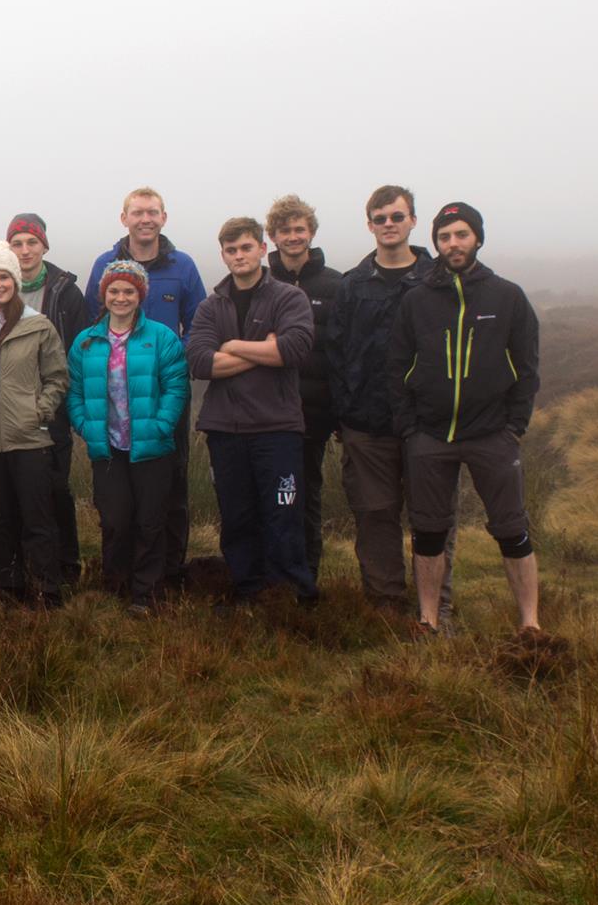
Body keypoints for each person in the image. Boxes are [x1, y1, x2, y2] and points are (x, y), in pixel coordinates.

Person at [392, 203, 543, 635]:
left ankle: (530, 624)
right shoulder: (416, 300)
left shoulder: (508, 296)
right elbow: (397, 366)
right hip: (429, 435)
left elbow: (527, 367)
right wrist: (409, 427)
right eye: (444, 237)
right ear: (436, 243)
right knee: (428, 532)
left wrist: (515, 426)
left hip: (493, 433)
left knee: (512, 530)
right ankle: (428, 620)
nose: (453, 244)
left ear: (477, 238)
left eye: (461, 235)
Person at [326, 186, 458, 615]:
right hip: (366, 425)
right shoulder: (351, 286)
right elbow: (335, 352)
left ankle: (435, 608)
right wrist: (342, 415)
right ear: (369, 225)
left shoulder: (441, 281)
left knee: (433, 520)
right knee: (374, 515)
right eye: (380, 218)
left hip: (429, 425)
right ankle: (385, 605)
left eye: (396, 217)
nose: (388, 225)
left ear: (413, 222)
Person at [187, 218, 319, 608]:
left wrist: (230, 346)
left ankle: (291, 596)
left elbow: (294, 350)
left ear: (263, 249)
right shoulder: (212, 305)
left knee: (283, 513)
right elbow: (199, 362)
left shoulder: (288, 298)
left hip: (277, 428)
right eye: (231, 250)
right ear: (223, 255)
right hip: (225, 429)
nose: (239, 256)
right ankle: (248, 591)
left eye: (246, 247)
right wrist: (262, 351)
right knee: (237, 517)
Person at [83, 188, 208, 588]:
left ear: (163, 217)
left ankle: (169, 570)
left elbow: (199, 324)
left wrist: (170, 362)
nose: (145, 219)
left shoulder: (183, 266)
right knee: (117, 499)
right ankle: (119, 576)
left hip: (164, 395)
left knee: (170, 487)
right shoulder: (105, 264)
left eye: (152, 212)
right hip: (115, 395)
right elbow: (92, 324)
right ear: (124, 218)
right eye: (137, 212)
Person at [67, 261, 190, 614]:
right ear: (103, 295)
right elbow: (73, 391)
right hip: (108, 449)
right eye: (114, 291)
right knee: (115, 521)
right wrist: (85, 426)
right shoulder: (86, 342)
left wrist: (160, 426)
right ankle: (115, 587)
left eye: (129, 291)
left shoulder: (161, 337)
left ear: (141, 296)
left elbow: (176, 387)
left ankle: (146, 593)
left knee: (150, 520)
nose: (121, 298)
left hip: (151, 447)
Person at [0, 242, 69, 604]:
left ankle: (47, 588)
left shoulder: (38, 326)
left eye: (3, 276)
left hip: (29, 439)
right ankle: (5, 589)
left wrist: (40, 411)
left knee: (37, 518)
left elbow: (57, 377)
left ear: (14, 280)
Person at [8, 212, 92, 587]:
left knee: (56, 486)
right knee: (21, 489)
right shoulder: (1, 286)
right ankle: (30, 563)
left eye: (31, 242)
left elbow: (80, 349)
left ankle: (68, 564)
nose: (25, 250)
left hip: (53, 403)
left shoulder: (64, 291)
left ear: (44, 245)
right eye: (17, 243)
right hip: (10, 407)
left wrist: (64, 400)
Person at [263, 195, 342, 581]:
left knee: (306, 494)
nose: (293, 237)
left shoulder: (336, 285)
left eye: (299, 229)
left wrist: (341, 411)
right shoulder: (260, 283)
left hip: (315, 411)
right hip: (266, 410)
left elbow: (345, 351)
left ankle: (306, 575)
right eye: (285, 230)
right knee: (271, 497)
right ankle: (271, 573)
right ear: (272, 236)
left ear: (310, 232)